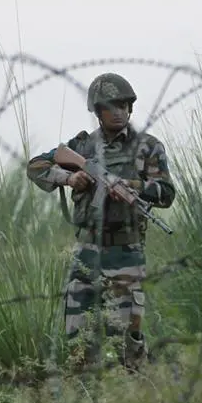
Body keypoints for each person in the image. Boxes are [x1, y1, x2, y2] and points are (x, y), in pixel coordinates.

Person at [26, 72, 176, 371]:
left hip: (126, 251)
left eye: (123, 104)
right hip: (86, 252)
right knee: (77, 333)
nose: (119, 110)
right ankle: (84, 398)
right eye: (111, 105)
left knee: (125, 336)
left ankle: (138, 392)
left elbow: (166, 193)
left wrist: (131, 187)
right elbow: (36, 167)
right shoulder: (81, 147)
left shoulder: (147, 147)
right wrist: (71, 177)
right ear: (98, 110)